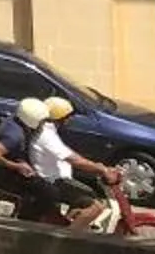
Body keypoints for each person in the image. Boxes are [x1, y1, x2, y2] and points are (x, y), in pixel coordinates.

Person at [29, 95, 124, 230]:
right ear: (61, 117)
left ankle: (71, 222)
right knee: (96, 207)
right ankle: (68, 238)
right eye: (68, 117)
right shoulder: (46, 135)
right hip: (54, 181)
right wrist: (102, 170)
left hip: (59, 178)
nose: (69, 120)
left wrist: (97, 166)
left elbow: (69, 154)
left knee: (88, 193)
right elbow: (74, 160)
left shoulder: (48, 130)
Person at [0, 96, 54, 214]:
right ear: (32, 120)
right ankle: (27, 219)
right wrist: (17, 166)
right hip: (7, 175)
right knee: (49, 193)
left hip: (14, 167)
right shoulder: (15, 136)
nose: (43, 124)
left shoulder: (15, 120)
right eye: (42, 121)